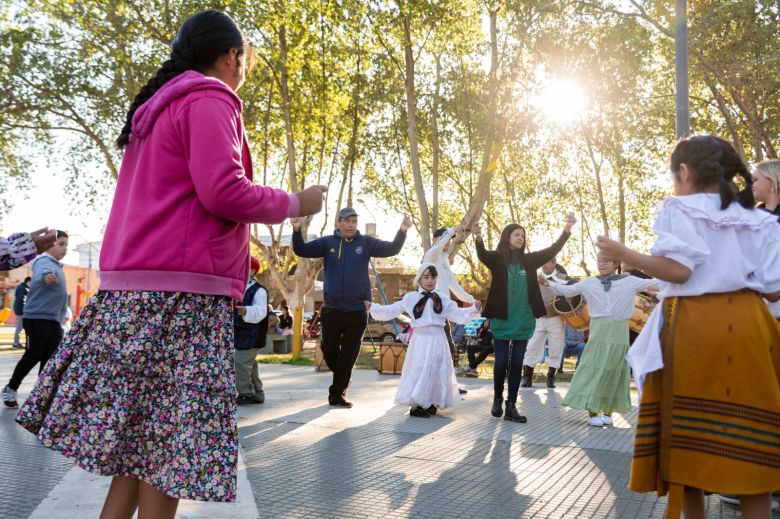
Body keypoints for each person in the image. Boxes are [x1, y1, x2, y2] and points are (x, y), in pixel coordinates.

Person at [13, 10, 326, 518]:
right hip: (180, 297)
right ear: (231, 57)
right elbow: (223, 191)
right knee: (169, 453)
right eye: (244, 61)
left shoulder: (157, 109)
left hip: (135, 292)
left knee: (137, 455)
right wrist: (296, 203)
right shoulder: (209, 98)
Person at [596, 135, 780, 519]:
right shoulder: (761, 219)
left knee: (688, 441)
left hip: (694, 327)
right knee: (753, 443)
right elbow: (775, 291)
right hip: (751, 326)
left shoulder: (678, 209)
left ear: (684, 171)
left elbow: (679, 270)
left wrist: (623, 253)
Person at [292, 208, 411, 408]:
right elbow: (301, 250)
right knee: (328, 350)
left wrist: (402, 231)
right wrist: (296, 230)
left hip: (357, 311)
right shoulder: (327, 243)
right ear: (338, 222)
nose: (351, 225)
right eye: (347, 221)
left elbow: (392, 249)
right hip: (332, 310)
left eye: (354, 221)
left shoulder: (366, 243)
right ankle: (342, 377)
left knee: (348, 356)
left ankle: (336, 394)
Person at [472, 213, 576, 423]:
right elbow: (482, 255)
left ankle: (511, 406)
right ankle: (497, 398)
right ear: (507, 237)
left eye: (523, 235)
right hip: (502, 318)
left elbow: (552, 249)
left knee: (518, 362)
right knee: (500, 362)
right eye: (516, 234)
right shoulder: (497, 259)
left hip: (524, 318)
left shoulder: (530, 260)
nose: (520, 238)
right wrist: (478, 237)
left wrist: (567, 229)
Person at [542, 253, 658, 426]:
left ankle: (609, 412)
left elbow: (658, 283)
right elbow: (568, 290)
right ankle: (593, 412)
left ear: (615, 262)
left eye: (606, 260)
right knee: (595, 369)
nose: (601, 264)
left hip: (620, 332)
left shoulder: (629, 281)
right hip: (598, 331)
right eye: (599, 261)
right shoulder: (590, 282)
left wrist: (679, 274)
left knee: (615, 370)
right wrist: (549, 283)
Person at [365, 263, 480, 417]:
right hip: (420, 340)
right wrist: (373, 307)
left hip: (438, 340)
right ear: (419, 279)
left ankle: (430, 401)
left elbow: (457, 314)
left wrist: (473, 309)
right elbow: (392, 310)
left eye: (433, 277)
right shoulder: (411, 298)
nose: (430, 280)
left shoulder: (443, 299)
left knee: (436, 369)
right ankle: (417, 405)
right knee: (420, 369)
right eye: (426, 277)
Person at [2, 231, 69, 408]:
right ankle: (11, 387)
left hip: (55, 321)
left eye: (66, 245)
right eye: (60, 244)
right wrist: (47, 277)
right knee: (34, 355)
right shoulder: (43, 262)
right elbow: (42, 273)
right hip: (37, 318)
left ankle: (41, 398)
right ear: (49, 245)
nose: (64, 248)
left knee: (50, 360)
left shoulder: (58, 266)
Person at [424, 226, 476, 395]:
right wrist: (452, 230)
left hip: (442, 311)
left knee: (448, 349)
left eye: (449, 241)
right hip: (431, 312)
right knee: (435, 351)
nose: (447, 244)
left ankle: (448, 386)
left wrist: (469, 299)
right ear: (436, 240)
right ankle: (434, 387)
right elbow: (439, 246)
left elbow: (453, 284)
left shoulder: (445, 259)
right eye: (445, 239)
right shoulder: (431, 255)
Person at [521, 257, 569, 388]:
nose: (543, 264)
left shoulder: (563, 277)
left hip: (556, 317)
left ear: (554, 263)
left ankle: (551, 377)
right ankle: (527, 376)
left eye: (546, 261)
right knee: (532, 345)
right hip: (539, 317)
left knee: (556, 347)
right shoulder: (535, 278)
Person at [234, 256, 268, 405]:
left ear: (252, 271)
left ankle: (245, 393)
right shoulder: (239, 287)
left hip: (253, 335)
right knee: (250, 364)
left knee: (240, 362)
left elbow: (261, 311)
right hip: (241, 333)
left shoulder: (259, 290)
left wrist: (246, 310)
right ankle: (257, 393)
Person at [752, 159, 780, 321]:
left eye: (756, 179)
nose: (751, 184)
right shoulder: (751, 216)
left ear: (773, 180)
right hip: (761, 313)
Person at [12, 276, 31, 349]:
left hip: (19, 309)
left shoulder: (21, 287)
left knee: (20, 326)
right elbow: (21, 300)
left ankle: (17, 342)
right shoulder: (23, 288)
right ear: (28, 281)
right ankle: (16, 343)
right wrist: (25, 310)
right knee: (19, 327)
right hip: (21, 310)